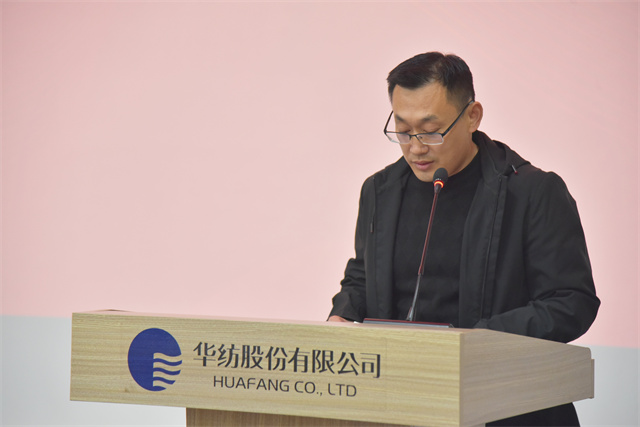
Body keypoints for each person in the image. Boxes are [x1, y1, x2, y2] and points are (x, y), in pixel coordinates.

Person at [328, 52, 600, 426]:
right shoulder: (380, 191)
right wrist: (342, 314)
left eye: (430, 130)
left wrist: (475, 340)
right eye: (403, 131)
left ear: (472, 116)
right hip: (405, 403)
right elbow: (364, 276)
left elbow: (571, 302)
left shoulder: (532, 192)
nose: (416, 147)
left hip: (507, 406)